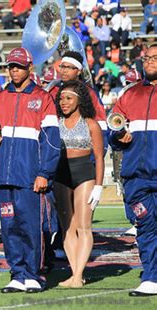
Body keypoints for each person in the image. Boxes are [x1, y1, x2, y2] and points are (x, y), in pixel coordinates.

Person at [0, 47, 61, 293]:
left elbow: (51, 140)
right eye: (11, 66)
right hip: (3, 177)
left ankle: (34, 274)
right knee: (9, 227)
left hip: (30, 175)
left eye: (18, 66)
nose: (14, 70)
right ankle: (17, 273)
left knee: (31, 227)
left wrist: (44, 173)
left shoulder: (43, 97)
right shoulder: (0, 98)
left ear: (30, 68)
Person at [109, 44, 157, 297]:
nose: (149, 62)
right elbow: (113, 127)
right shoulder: (130, 94)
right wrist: (118, 136)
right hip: (136, 175)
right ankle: (150, 276)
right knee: (145, 225)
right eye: (147, 58)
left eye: (155, 58)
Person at [54, 80, 104, 288]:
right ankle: (76, 275)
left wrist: (99, 186)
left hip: (84, 173)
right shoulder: (55, 124)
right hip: (60, 174)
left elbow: (100, 157)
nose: (64, 102)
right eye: (61, 98)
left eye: (69, 98)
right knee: (67, 228)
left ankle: (78, 274)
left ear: (79, 100)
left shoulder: (90, 123)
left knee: (84, 227)